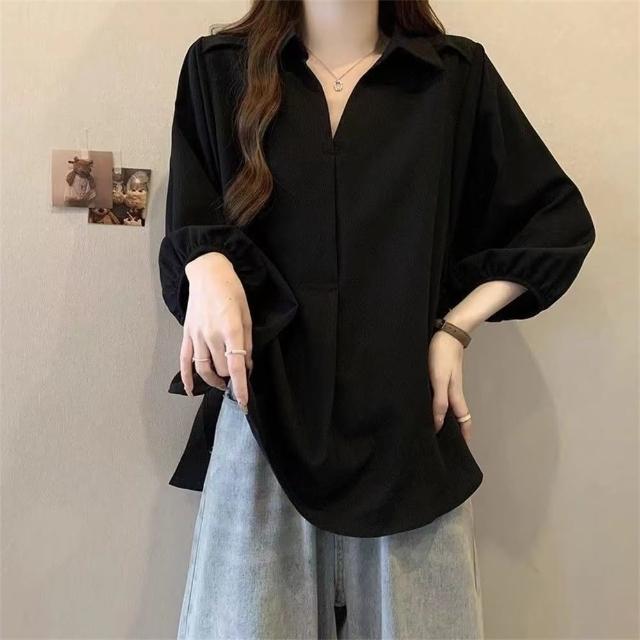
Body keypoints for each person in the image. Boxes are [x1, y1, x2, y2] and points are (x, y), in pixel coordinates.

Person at [157, 0, 596, 637]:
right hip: (262, 425)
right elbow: (192, 215)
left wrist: (455, 329)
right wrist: (207, 266)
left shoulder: (452, 76)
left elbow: (554, 223)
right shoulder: (220, 68)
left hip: (407, 434)